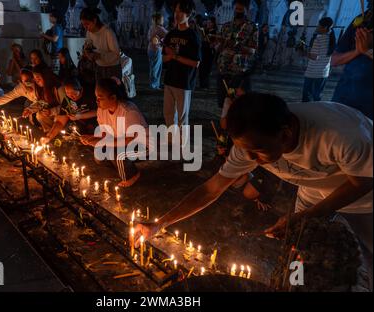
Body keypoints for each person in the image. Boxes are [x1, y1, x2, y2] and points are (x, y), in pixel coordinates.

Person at [135, 93, 373, 288]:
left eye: (258, 151)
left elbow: (363, 181)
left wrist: (309, 215)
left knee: (368, 258)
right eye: (245, 151)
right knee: (297, 250)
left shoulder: (342, 135)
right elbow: (211, 189)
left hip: (365, 196)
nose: (250, 160)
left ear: (286, 133)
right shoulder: (250, 142)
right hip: (312, 192)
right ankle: (293, 285)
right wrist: (160, 223)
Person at [79, 78, 149, 188]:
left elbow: (129, 140)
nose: (97, 102)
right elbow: (105, 133)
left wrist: (103, 143)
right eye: (96, 98)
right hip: (120, 142)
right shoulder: (101, 110)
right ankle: (121, 167)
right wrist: (92, 137)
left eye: (100, 98)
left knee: (117, 154)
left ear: (113, 98)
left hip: (142, 145)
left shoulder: (128, 111)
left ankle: (132, 175)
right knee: (99, 154)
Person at [162, 0, 201, 128]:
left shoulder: (192, 36)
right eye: (176, 11)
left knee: (182, 117)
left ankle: (181, 144)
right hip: (169, 80)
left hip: (184, 82)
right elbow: (163, 59)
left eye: (181, 12)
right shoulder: (171, 34)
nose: (177, 15)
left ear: (189, 14)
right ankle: (170, 139)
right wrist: (169, 56)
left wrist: (175, 56)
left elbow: (196, 63)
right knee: (168, 113)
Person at [331, 2, 373, 119]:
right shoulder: (361, 21)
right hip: (342, 101)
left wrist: (368, 51)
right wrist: (358, 51)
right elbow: (334, 60)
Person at [216, 0, 258, 112]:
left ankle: (235, 126)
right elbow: (219, 48)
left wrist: (237, 46)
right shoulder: (226, 26)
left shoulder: (252, 27)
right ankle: (223, 124)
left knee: (237, 103)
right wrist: (217, 44)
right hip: (223, 69)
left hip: (239, 72)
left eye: (240, 9)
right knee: (223, 102)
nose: (237, 11)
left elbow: (252, 51)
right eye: (236, 9)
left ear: (246, 11)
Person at [40, 77, 97, 144]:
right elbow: (60, 122)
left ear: (81, 90)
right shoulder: (67, 101)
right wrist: (49, 136)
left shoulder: (90, 96)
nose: (71, 96)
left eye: (74, 93)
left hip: (94, 125)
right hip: (79, 127)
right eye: (67, 93)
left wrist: (79, 116)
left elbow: (98, 112)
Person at [80, 7, 121, 80]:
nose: (85, 27)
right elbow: (88, 45)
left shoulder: (107, 32)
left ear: (94, 21)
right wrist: (86, 52)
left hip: (111, 69)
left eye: (87, 24)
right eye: (83, 25)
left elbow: (116, 54)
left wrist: (99, 55)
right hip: (99, 67)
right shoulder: (89, 32)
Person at [301, 17, 336, 102]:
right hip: (323, 73)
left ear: (324, 28)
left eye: (318, 26)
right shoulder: (331, 38)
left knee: (306, 97)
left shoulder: (319, 39)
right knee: (317, 97)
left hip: (312, 73)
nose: (317, 27)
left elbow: (314, 57)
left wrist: (303, 53)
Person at [30, 64, 65, 133]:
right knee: (39, 115)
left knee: (42, 116)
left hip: (62, 116)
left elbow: (66, 107)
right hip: (52, 114)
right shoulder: (42, 89)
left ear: (46, 77)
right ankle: (49, 134)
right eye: (35, 79)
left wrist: (51, 111)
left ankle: (55, 134)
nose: (37, 81)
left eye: (39, 78)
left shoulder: (59, 89)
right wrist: (30, 109)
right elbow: (41, 102)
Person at [147, 13, 168, 90]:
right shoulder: (159, 28)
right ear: (159, 20)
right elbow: (168, 35)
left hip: (150, 49)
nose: (163, 20)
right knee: (156, 67)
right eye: (162, 19)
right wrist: (162, 41)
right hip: (156, 49)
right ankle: (154, 85)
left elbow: (148, 38)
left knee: (153, 67)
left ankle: (154, 84)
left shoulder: (152, 27)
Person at [198, 17, 217, 89]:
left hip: (209, 53)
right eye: (207, 23)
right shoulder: (205, 31)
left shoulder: (214, 32)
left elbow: (213, 43)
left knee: (207, 69)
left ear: (213, 24)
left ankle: (205, 85)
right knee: (202, 69)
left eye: (210, 23)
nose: (208, 24)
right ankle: (202, 85)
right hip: (203, 51)